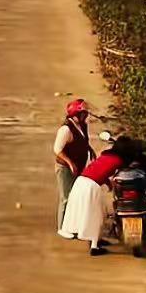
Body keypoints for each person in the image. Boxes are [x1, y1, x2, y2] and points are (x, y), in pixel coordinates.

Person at [60, 136, 123, 255]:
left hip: (81, 182)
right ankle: (95, 247)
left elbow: (100, 171)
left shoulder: (105, 156)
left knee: (91, 214)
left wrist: (108, 183)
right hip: (91, 186)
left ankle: (95, 240)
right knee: (96, 215)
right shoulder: (119, 160)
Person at [53, 98, 93, 233]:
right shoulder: (66, 129)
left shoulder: (82, 126)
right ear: (76, 115)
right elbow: (57, 150)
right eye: (84, 114)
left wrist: (90, 150)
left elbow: (83, 141)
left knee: (76, 196)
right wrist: (70, 163)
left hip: (78, 165)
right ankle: (62, 227)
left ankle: (72, 224)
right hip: (65, 168)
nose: (86, 116)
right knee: (66, 197)